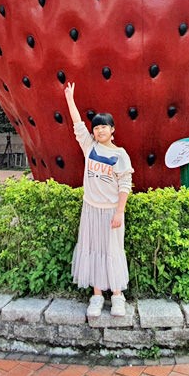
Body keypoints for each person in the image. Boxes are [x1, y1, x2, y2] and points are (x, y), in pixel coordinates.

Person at [64, 81, 134, 317]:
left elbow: (125, 184)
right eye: (96, 128)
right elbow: (77, 125)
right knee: (93, 249)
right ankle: (96, 295)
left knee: (113, 250)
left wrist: (119, 212)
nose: (100, 131)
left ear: (112, 129)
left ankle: (117, 295)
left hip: (111, 210)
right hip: (91, 208)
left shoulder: (119, 155)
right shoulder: (89, 147)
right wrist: (70, 100)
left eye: (104, 127)